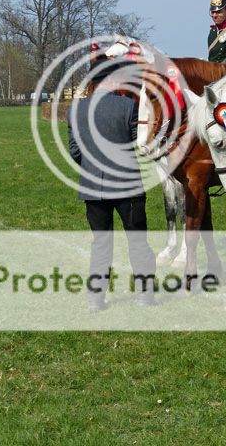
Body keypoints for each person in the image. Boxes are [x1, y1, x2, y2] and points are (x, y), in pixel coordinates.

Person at [68, 58, 157, 311]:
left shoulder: (75, 110)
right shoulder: (129, 106)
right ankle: (144, 295)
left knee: (100, 243)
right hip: (127, 184)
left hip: (92, 185)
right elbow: (135, 145)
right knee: (138, 241)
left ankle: (95, 299)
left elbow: (75, 151)